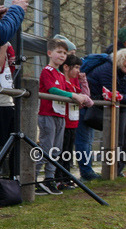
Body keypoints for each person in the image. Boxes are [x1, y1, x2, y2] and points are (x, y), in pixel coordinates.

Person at [36, 38, 87, 194]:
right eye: (59, 52)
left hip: (60, 116)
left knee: (56, 150)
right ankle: (31, 179)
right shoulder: (47, 71)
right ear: (49, 53)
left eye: (65, 53)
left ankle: (49, 180)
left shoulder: (60, 74)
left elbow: (69, 91)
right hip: (47, 115)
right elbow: (52, 90)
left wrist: (81, 95)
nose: (62, 55)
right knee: (46, 148)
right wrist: (73, 95)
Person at [86, 48, 126, 177]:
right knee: (113, 141)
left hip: (119, 108)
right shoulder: (108, 70)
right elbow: (112, 94)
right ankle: (109, 171)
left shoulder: (122, 74)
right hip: (100, 108)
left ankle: (117, 171)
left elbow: (121, 94)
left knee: (124, 142)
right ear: (120, 59)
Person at [55, 55, 94, 188]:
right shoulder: (61, 81)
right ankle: (58, 179)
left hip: (73, 122)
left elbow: (85, 96)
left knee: (68, 152)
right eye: (76, 67)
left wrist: (83, 81)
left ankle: (66, 177)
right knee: (61, 151)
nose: (78, 71)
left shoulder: (74, 82)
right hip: (63, 122)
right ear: (66, 67)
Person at [0, 40, 16, 177]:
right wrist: (3, 46)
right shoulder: (3, 43)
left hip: (9, 102)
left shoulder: (7, 42)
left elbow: (11, 67)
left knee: (12, 143)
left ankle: (12, 177)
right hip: (1, 103)